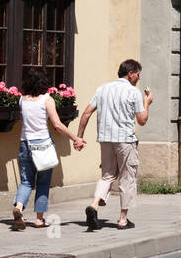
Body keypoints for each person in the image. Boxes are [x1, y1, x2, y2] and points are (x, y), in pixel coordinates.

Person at [77, 59, 152, 230]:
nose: (139, 79)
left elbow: (87, 113)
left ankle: (94, 205)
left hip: (105, 139)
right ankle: (123, 219)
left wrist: (79, 136)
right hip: (125, 140)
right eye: (138, 75)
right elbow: (142, 120)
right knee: (127, 177)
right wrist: (147, 102)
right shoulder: (133, 92)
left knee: (107, 175)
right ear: (131, 74)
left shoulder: (102, 89)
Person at [12, 71, 85, 231]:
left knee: (26, 181)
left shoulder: (22, 100)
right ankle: (39, 219)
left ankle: (19, 207)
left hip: (25, 143)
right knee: (43, 183)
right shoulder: (47, 99)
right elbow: (57, 125)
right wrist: (75, 138)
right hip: (43, 145)